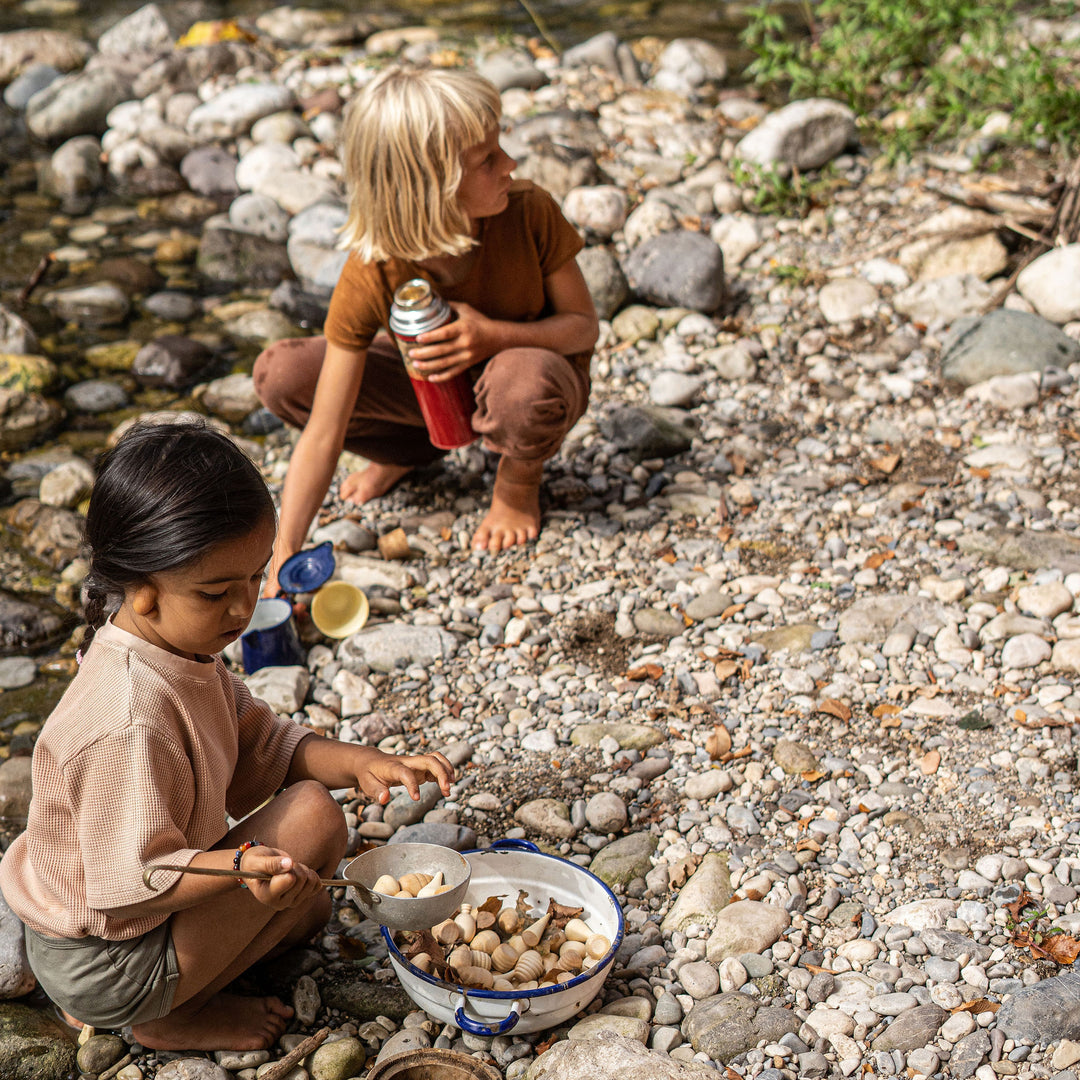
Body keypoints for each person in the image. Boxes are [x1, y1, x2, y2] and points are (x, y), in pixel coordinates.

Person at [0, 419, 454, 1052]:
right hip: (105, 952)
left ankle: (184, 978)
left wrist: (362, 762)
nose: (245, 608)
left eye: (255, 576)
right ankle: (161, 1018)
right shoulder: (128, 718)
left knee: (312, 899)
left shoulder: (179, 647)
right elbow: (125, 885)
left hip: (129, 911)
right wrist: (242, 868)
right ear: (143, 592)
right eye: (217, 592)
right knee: (311, 829)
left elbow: (260, 744)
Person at [254, 65, 599, 593]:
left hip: (530, 374)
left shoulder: (528, 212)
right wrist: (284, 550)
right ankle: (409, 454)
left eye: (499, 147)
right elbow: (325, 428)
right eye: (488, 159)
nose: (510, 164)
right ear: (430, 189)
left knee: (522, 389)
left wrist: (492, 336)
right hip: (435, 393)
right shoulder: (374, 267)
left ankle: (515, 482)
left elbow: (583, 328)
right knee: (283, 374)